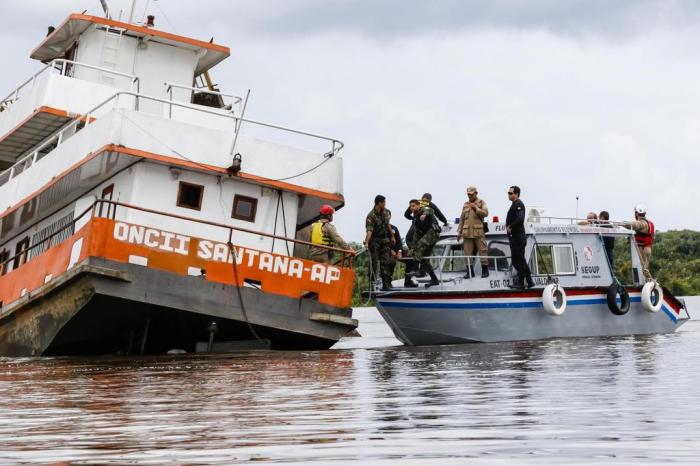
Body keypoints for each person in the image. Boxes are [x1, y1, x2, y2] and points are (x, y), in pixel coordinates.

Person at [364, 195, 396, 291]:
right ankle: (371, 286)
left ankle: (385, 285)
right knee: (373, 264)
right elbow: (369, 230)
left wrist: (392, 236)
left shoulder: (386, 212)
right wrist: (366, 243)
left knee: (385, 263)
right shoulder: (371, 215)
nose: (385, 204)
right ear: (379, 203)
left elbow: (388, 224)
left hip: (385, 240)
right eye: (384, 202)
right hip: (374, 241)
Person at [457, 186, 489, 278]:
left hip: (478, 232)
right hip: (466, 233)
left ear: (476, 193)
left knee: (483, 250)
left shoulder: (481, 202)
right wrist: (459, 231)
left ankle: (485, 270)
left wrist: (476, 208)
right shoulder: (465, 204)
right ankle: (469, 272)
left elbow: (486, 213)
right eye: (468, 194)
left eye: (471, 194)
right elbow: (462, 219)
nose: (469, 196)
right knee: (467, 252)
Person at [407, 199, 440, 287]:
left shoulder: (424, 209)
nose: (411, 208)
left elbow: (430, 210)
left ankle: (416, 269)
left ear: (418, 206)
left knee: (419, 245)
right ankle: (434, 280)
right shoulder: (415, 218)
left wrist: (424, 214)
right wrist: (412, 248)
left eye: (413, 206)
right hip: (427, 236)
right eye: (410, 206)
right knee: (424, 260)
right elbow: (416, 234)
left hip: (433, 233)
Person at [506, 185, 534, 289]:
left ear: (516, 194)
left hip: (518, 237)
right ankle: (527, 281)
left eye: (510, 193)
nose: (508, 195)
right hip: (514, 237)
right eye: (508, 193)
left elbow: (520, 218)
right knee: (517, 260)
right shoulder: (514, 204)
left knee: (519, 260)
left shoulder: (519, 204)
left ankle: (526, 281)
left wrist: (510, 226)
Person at [623, 205, 654, 278]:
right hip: (647, 248)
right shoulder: (649, 223)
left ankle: (646, 280)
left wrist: (622, 223)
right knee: (645, 266)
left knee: (643, 268)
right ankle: (646, 280)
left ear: (637, 213)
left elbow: (635, 225)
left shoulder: (642, 223)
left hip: (642, 248)